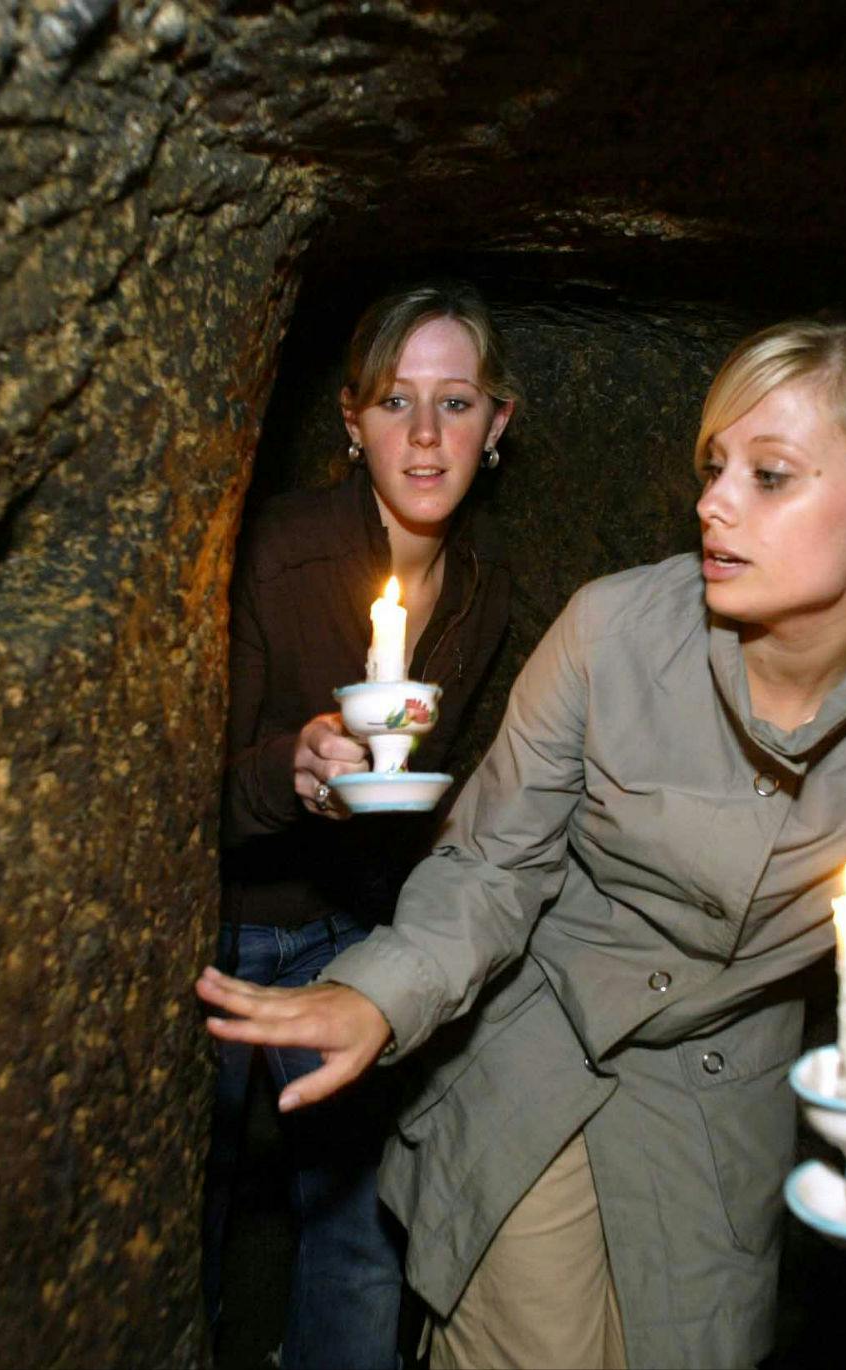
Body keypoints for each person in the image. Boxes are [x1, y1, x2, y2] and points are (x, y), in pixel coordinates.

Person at [197, 318, 846, 1369]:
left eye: (768, 475)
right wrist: (379, 989)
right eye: (712, 466)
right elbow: (491, 863)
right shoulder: (611, 628)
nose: (712, 503)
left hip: (713, 1113)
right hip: (529, 1047)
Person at [204, 281, 520, 1369]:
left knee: (359, 1230)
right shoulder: (277, 549)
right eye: (394, 402)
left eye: (456, 402)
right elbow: (186, 794)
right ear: (350, 421)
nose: (424, 437)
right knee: (187, 1209)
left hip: (356, 932)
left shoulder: (485, 590)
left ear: (498, 424)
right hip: (225, 930)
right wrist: (288, 767)